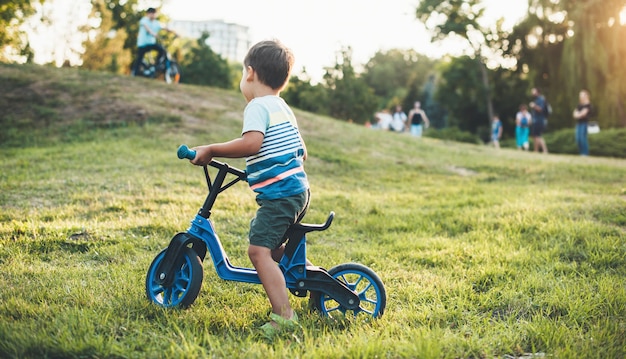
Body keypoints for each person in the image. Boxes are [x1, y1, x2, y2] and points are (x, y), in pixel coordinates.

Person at [189, 40, 309, 336]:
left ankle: (284, 317)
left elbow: (252, 143)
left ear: (250, 73)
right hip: (297, 192)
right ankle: (298, 277)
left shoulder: (257, 106)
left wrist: (211, 149)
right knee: (273, 249)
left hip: (280, 196)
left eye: (243, 74)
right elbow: (302, 151)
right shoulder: (282, 107)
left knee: (257, 251)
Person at [131, 8, 176, 77]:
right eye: (151, 13)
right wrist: (153, 33)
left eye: (154, 13)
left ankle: (156, 65)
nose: (153, 15)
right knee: (139, 59)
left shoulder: (156, 23)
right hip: (143, 44)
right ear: (148, 14)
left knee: (162, 50)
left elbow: (165, 28)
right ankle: (135, 73)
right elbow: (147, 29)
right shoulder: (144, 20)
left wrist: (175, 33)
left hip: (151, 43)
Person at [529, 87, 549, 153]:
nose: (532, 93)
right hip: (536, 120)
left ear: (537, 92)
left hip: (539, 120)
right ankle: (538, 150)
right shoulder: (537, 99)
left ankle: (542, 150)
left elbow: (540, 109)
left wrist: (534, 106)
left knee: (537, 135)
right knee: (536, 136)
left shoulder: (540, 99)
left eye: (533, 91)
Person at [573, 89, 592, 156]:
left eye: (582, 94)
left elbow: (583, 114)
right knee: (578, 139)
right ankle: (581, 153)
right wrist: (579, 114)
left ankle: (585, 153)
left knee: (582, 138)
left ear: (586, 95)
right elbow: (574, 114)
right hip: (579, 124)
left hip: (584, 124)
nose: (581, 96)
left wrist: (578, 114)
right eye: (580, 95)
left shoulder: (588, 105)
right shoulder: (580, 105)